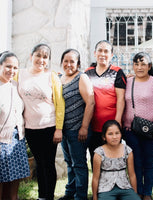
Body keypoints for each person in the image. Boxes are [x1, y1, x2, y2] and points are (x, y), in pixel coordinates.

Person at [16, 43, 65, 200]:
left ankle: (48, 196)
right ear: (31, 56)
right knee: (39, 162)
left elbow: (59, 103)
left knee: (48, 163)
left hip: (49, 127)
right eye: (38, 55)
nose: (41, 60)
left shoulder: (52, 76)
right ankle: (41, 196)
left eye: (45, 57)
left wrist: (59, 128)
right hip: (30, 128)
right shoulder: (20, 74)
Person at [0, 51, 30, 200]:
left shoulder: (14, 85)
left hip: (17, 138)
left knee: (15, 176)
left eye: (15, 68)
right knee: (0, 178)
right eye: (8, 66)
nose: (12, 71)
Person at [123, 52, 153, 200]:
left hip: (151, 130)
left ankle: (147, 193)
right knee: (135, 162)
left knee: (148, 162)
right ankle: (138, 191)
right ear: (133, 66)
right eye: (136, 64)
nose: (139, 67)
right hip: (130, 130)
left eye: (143, 64)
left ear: (149, 66)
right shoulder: (128, 82)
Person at [58, 49, 95, 200]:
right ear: (61, 63)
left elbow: (91, 102)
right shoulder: (60, 78)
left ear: (78, 63)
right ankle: (70, 193)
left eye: (72, 61)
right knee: (69, 163)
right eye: (66, 61)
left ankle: (80, 196)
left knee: (79, 165)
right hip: (64, 131)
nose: (68, 64)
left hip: (78, 130)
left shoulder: (81, 77)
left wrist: (84, 127)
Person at [85, 40, 126, 167]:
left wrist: (118, 120)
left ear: (111, 55)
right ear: (95, 53)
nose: (102, 54)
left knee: (112, 162)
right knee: (96, 160)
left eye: (106, 51)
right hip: (93, 127)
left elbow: (121, 99)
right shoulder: (88, 73)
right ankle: (98, 187)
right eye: (100, 51)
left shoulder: (117, 72)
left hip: (111, 127)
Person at [92, 120, 141, 200]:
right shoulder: (99, 153)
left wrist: (134, 194)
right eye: (110, 134)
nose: (114, 137)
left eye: (117, 133)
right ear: (104, 137)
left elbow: (132, 175)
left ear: (121, 134)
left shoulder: (127, 150)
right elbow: (95, 178)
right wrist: (95, 197)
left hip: (124, 187)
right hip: (105, 188)